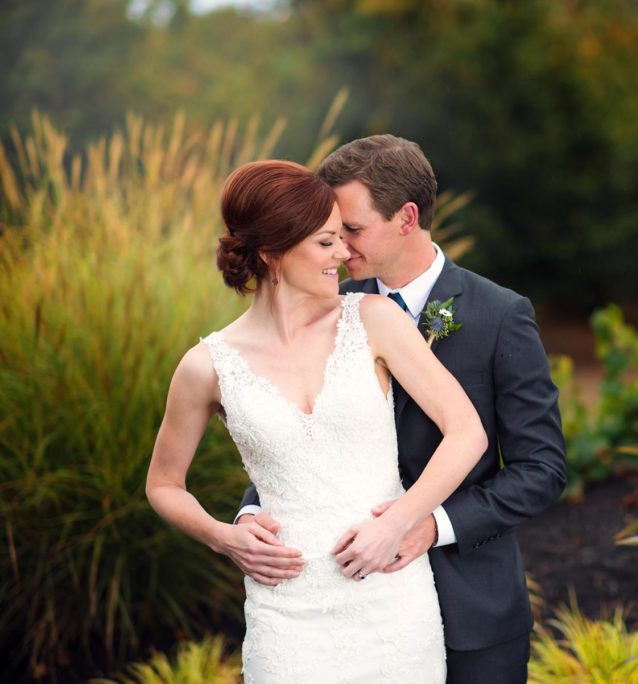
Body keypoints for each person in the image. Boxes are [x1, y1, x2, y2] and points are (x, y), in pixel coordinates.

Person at [233, 135, 568, 683]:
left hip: (471, 608)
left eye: (354, 229)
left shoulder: (500, 315)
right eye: (331, 232)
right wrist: (253, 516)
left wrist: (429, 524)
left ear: (407, 217)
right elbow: (301, 435)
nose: (339, 246)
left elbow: (542, 470)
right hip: (348, 605)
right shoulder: (329, 311)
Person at [146, 159, 487, 682]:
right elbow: (164, 484)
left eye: (343, 238)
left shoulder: (375, 320)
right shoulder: (206, 366)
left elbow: (467, 433)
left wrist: (396, 522)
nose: (345, 254)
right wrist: (222, 535)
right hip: (286, 615)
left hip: (392, 602)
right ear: (272, 253)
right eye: (326, 242)